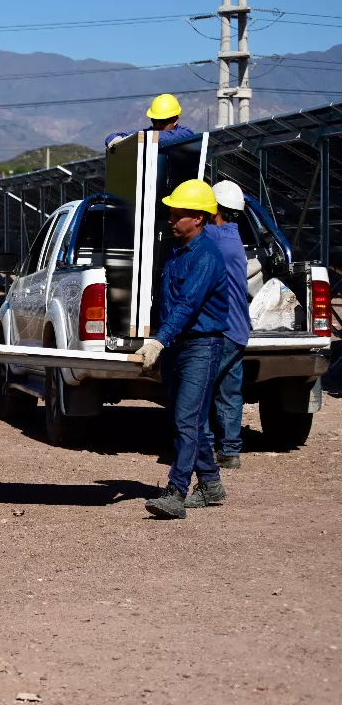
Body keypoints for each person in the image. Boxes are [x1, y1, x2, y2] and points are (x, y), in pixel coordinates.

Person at [136, 179, 230, 519]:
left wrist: (160, 340)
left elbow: (188, 303)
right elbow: (168, 303)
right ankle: (211, 484)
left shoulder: (207, 257)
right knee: (186, 420)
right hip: (179, 346)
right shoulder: (178, 253)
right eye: (172, 214)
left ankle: (176, 492)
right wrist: (160, 339)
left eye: (178, 215)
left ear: (199, 219)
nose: (171, 220)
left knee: (186, 419)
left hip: (202, 346)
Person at [202, 180, 252, 475]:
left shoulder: (213, 237)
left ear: (214, 209)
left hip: (220, 329)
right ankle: (230, 451)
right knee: (229, 391)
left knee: (202, 388)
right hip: (238, 328)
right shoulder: (233, 236)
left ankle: (205, 447)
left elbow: (187, 232)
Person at [106, 93, 196, 149]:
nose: (157, 125)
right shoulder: (147, 133)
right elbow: (113, 137)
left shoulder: (185, 134)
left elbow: (167, 137)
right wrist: (115, 139)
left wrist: (139, 138)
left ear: (175, 120)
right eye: (154, 120)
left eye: (162, 122)